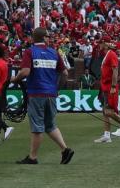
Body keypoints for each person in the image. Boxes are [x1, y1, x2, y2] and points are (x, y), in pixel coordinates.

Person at [11, 27, 74, 166]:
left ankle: (32, 157)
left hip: (36, 93)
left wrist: (15, 80)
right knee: (50, 125)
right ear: (45, 38)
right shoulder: (54, 52)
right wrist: (57, 88)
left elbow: (25, 72)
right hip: (51, 93)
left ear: (33, 39)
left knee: (37, 126)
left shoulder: (30, 52)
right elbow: (64, 73)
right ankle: (65, 149)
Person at [94, 39, 120, 142]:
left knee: (108, 111)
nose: (99, 45)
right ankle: (107, 135)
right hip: (105, 86)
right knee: (105, 112)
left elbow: (115, 70)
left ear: (106, 44)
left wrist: (113, 86)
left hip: (109, 87)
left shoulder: (111, 55)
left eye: (101, 43)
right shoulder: (108, 54)